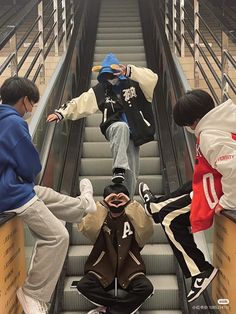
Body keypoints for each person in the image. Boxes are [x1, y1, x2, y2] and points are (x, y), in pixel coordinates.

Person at [0, 77, 97, 314]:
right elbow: (31, 166)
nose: (32, 110)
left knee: (43, 193)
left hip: (9, 187)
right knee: (58, 237)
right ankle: (33, 293)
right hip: (9, 193)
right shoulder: (14, 123)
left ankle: (83, 205)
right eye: (32, 104)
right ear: (24, 101)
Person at [139, 89, 236, 302]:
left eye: (187, 124)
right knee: (190, 185)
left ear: (193, 121)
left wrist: (227, 202)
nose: (189, 129)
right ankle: (154, 206)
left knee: (170, 218)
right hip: (213, 182)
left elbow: (234, 167)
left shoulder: (210, 136)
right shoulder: (223, 121)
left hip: (222, 191)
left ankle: (200, 270)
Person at [47, 53, 158, 198]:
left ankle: (127, 200)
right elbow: (81, 101)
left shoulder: (136, 85)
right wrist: (61, 113)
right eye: (106, 76)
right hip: (113, 127)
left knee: (132, 169)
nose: (109, 79)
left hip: (135, 133)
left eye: (112, 75)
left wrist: (130, 71)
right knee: (120, 127)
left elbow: (152, 78)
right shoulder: (102, 90)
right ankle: (118, 169)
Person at [76, 183, 154, 314]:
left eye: (120, 198)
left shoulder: (133, 218)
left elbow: (146, 231)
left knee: (146, 288)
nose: (116, 201)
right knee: (83, 285)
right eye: (112, 199)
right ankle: (126, 308)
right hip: (102, 268)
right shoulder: (100, 219)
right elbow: (87, 228)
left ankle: (109, 311)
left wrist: (129, 204)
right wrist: (102, 205)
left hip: (130, 269)